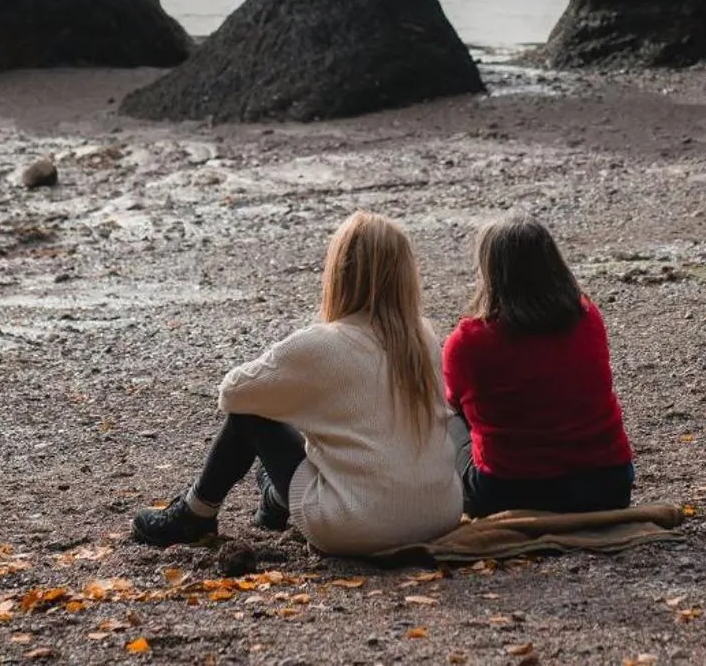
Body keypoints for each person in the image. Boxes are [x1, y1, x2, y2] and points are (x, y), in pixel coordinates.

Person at [129, 211, 464, 554]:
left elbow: (232, 393)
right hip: (440, 515)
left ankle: (195, 513)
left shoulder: (322, 344)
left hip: (358, 525)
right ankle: (273, 499)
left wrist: (299, 394)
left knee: (252, 413)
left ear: (340, 272)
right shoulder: (422, 337)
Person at [443, 214, 635, 517]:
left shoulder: (469, 340)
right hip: (609, 484)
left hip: (509, 492)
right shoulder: (588, 318)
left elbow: (456, 403)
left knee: (446, 417)